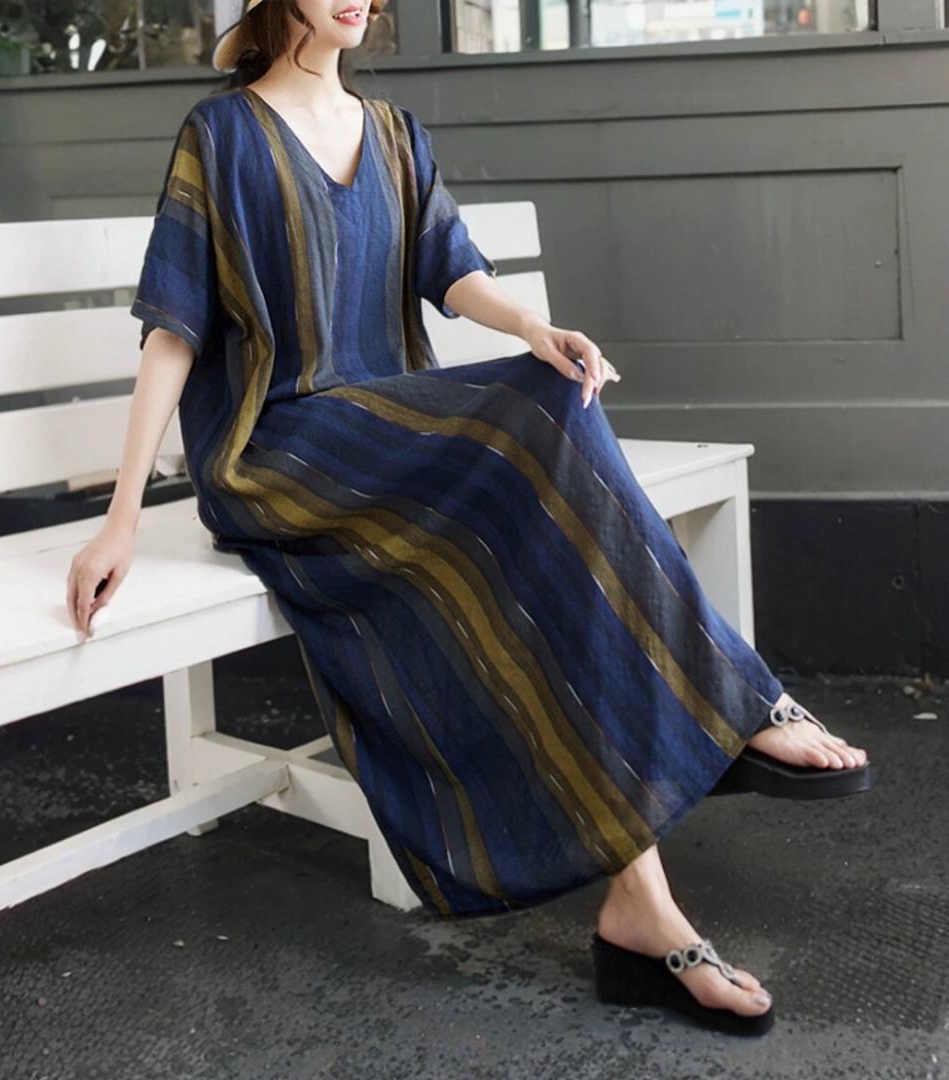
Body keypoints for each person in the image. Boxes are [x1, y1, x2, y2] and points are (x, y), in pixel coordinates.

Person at [65, 0, 873, 1037]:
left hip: (389, 439)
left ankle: (643, 904)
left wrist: (537, 327)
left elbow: (454, 270)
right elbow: (174, 329)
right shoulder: (219, 134)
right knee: (530, 432)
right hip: (280, 452)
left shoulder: (395, 135)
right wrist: (123, 518)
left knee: (548, 438)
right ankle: (735, 697)